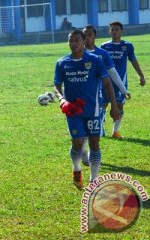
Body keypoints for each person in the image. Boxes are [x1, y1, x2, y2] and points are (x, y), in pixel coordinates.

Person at [54, 30, 120, 189]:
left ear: (84, 42)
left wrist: (114, 105)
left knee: (94, 143)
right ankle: (76, 169)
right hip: (73, 111)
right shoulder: (62, 63)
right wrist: (62, 99)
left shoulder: (95, 61)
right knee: (77, 143)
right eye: (71, 40)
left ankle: (93, 180)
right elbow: (57, 85)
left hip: (93, 110)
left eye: (77, 40)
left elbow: (107, 84)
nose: (73, 43)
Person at [81, 25, 130, 166]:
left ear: (94, 36)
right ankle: (85, 153)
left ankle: (90, 154)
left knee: (94, 131)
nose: (86, 38)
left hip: (97, 99)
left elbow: (113, 73)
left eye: (89, 34)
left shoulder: (102, 54)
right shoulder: (78, 53)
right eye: (84, 35)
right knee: (83, 128)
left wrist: (123, 89)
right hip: (80, 98)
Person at [100, 21, 146, 139]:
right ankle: (100, 128)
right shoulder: (104, 46)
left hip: (121, 82)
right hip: (106, 81)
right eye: (112, 29)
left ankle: (115, 131)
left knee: (119, 105)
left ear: (121, 31)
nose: (114, 32)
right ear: (109, 31)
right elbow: (99, 64)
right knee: (103, 104)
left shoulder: (127, 46)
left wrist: (141, 76)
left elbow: (133, 61)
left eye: (117, 29)